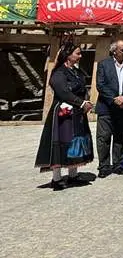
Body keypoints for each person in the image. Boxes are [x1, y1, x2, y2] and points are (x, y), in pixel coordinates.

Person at [35, 42, 95, 190]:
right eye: (77, 53)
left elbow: (82, 87)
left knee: (75, 141)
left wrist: (86, 101)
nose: (80, 56)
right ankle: (56, 178)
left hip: (77, 113)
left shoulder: (76, 71)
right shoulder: (58, 73)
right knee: (63, 142)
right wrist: (81, 103)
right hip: (63, 113)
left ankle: (73, 174)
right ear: (68, 55)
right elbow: (63, 92)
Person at [94, 38, 123, 178]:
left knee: (121, 136)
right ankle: (104, 166)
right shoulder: (103, 64)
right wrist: (115, 99)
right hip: (107, 107)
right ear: (114, 51)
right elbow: (100, 85)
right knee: (104, 137)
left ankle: (119, 163)